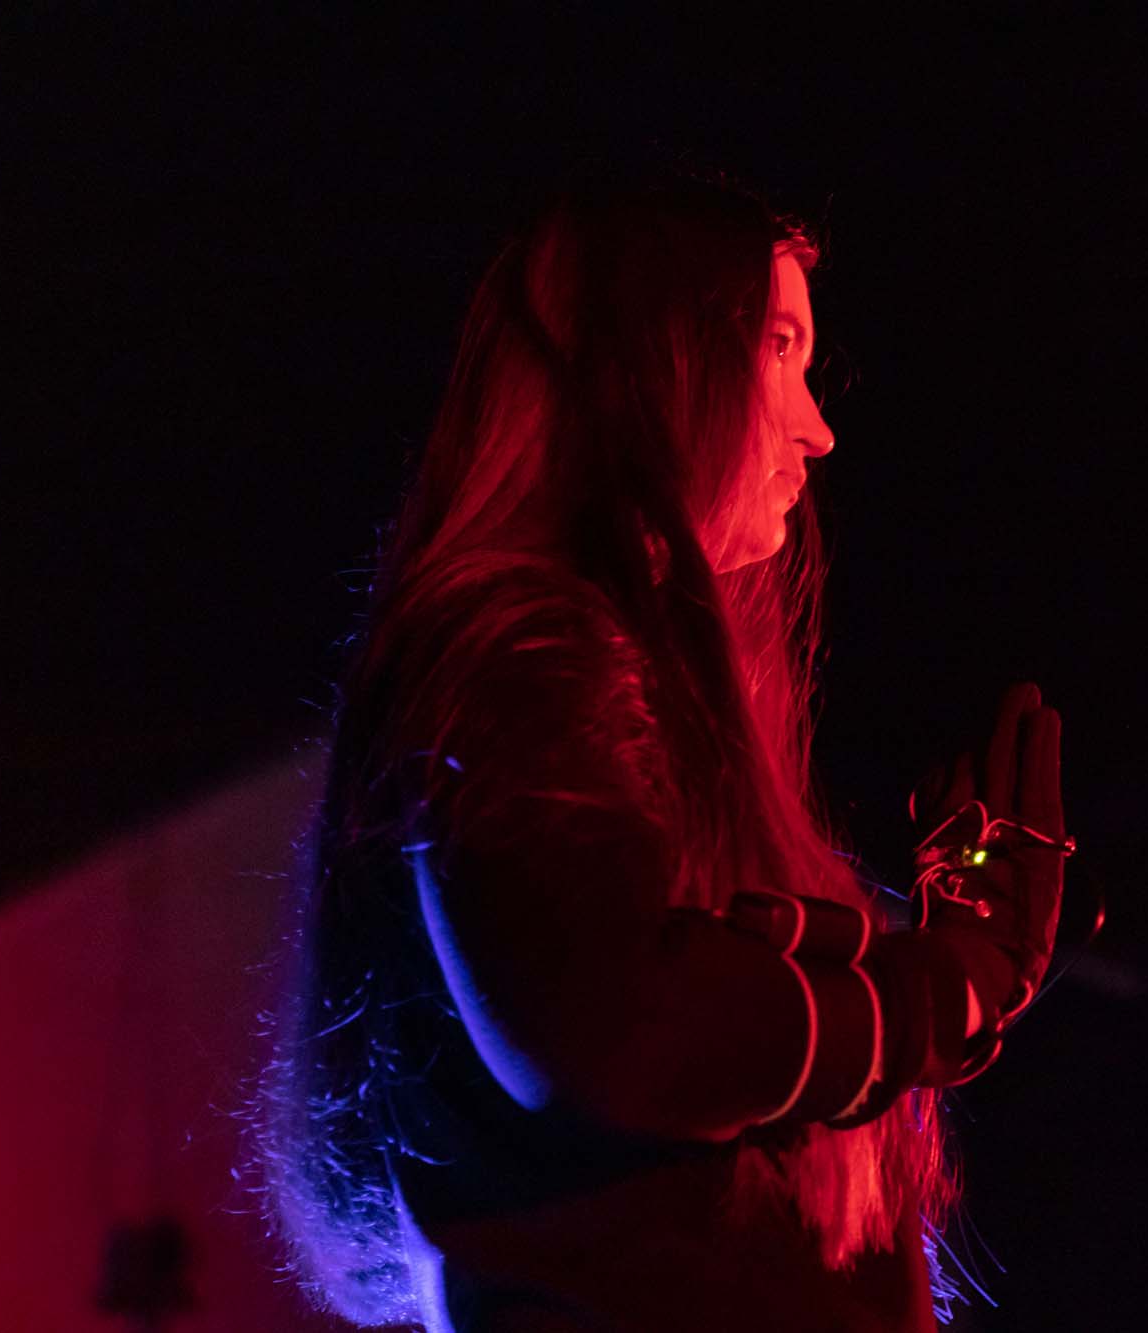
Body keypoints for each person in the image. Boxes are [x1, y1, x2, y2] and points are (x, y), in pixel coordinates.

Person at [254, 169, 1071, 1332]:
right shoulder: (520, 646)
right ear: (653, 358)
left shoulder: (592, 662)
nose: (817, 428)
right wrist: (950, 983)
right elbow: (622, 1029)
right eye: (777, 348)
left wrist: (939, 965)